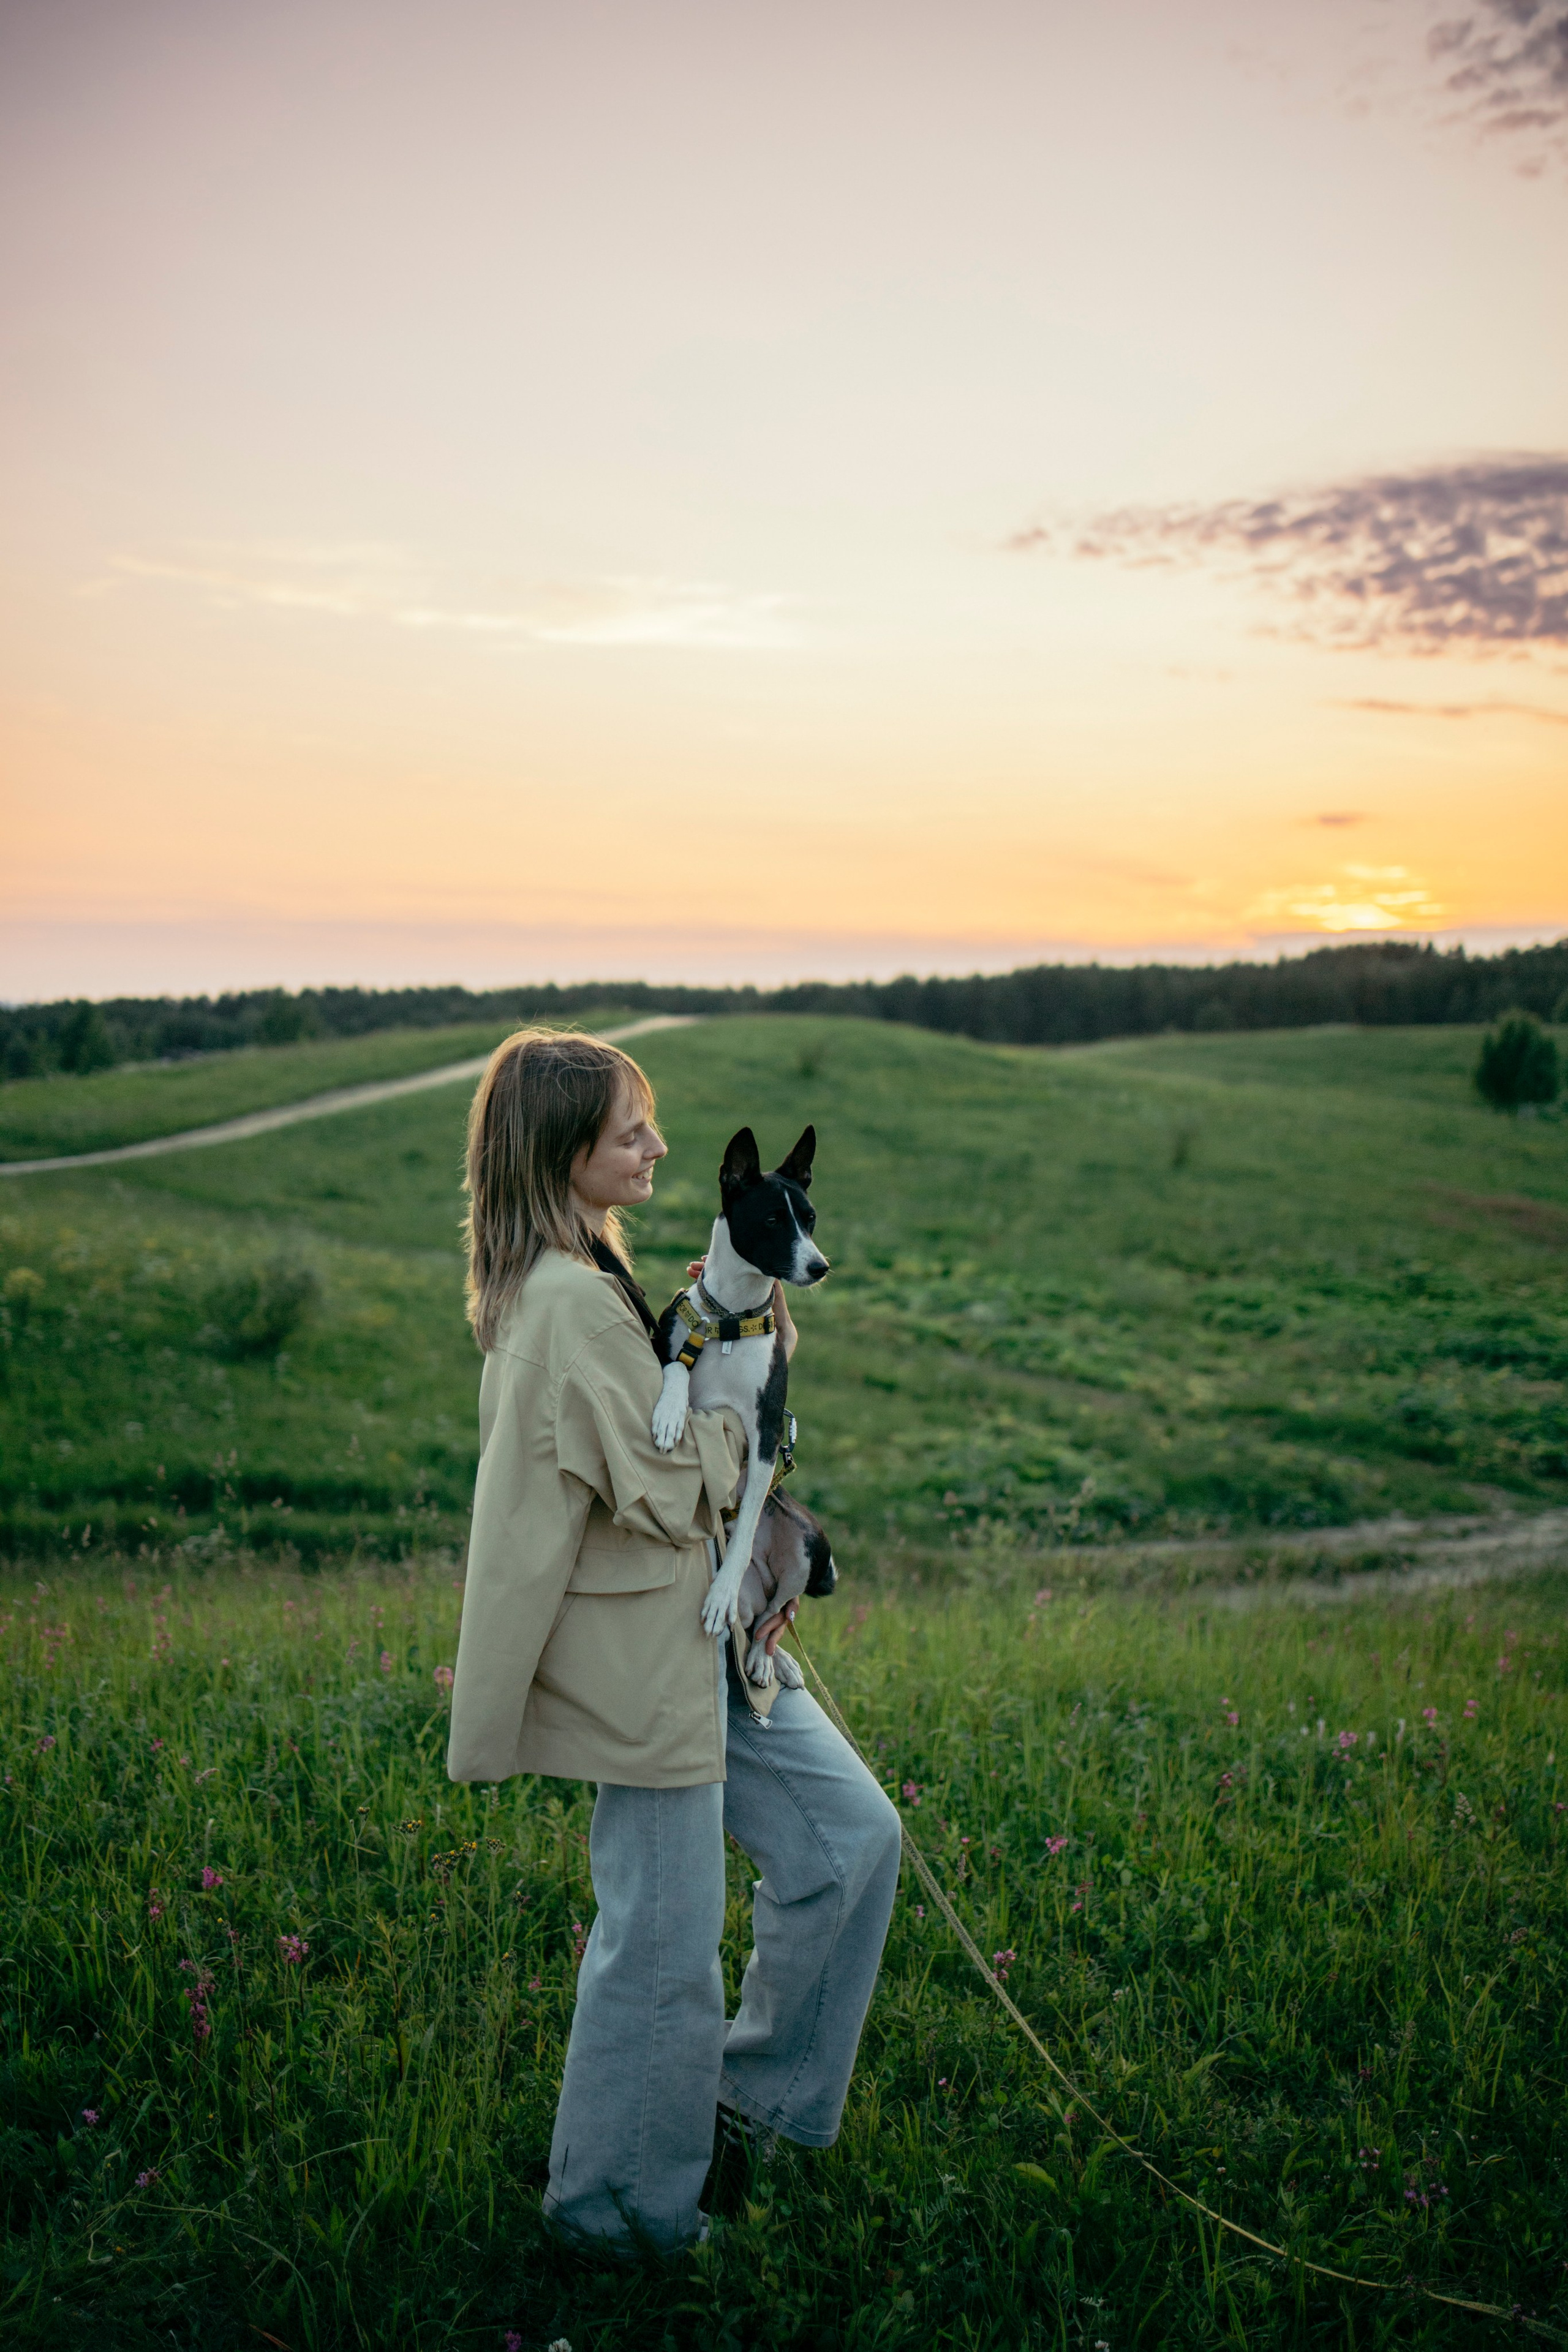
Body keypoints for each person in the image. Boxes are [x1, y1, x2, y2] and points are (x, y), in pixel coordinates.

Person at [447, 1028, 901, 2257]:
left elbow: (687, 1458)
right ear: (563, 1150)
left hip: (706, 1638)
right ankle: (617, 2220)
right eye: (629, 1129)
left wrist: (755, 1517)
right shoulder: (561, 1303)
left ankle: (744, 2098)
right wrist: (751, 1434)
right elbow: (662, 1481)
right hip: (641, 1666)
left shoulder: (596, 1267)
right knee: (658, 1950)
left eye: (648, 1124)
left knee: (850, 1841)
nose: (655, 1144)